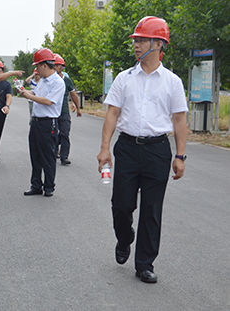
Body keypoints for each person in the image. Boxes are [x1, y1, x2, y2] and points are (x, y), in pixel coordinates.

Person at [96, 16, 188, 284]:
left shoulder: (172, 82)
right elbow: (112, 114)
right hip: (127, 147)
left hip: (158, 150)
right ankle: (124, 239)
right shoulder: (125, 79)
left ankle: (145, 263)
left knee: (151, 210)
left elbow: (180, 120)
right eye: (135, 40)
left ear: (158, 44)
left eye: (141, 40)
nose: (135, 45)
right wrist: (105, 149)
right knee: (121, 205)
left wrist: (180, 156)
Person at [19, 48, 65, 197]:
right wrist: (27, 92)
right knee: (35, 155)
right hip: (36, 121)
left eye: (38, 66)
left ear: (45, 65)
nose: (36, 70)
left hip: (48, 123)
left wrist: (30, 96)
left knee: (48, 156)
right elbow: (38, 95)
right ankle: (36, 185)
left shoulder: (58, 82)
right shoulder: (43, 81)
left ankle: (49, 186)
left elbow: (48, 101)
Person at [53, 54, 82, 165]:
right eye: (53, 65)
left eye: (57, 65)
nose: (55, 67)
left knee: (64, 133)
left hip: (64, 111)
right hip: (52, 111)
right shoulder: (49, 80)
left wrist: (78, 108)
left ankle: (64, 156)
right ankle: (54, 151)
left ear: (62, 67)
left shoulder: (67, 80)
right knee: (54, 133)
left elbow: (73, 95)